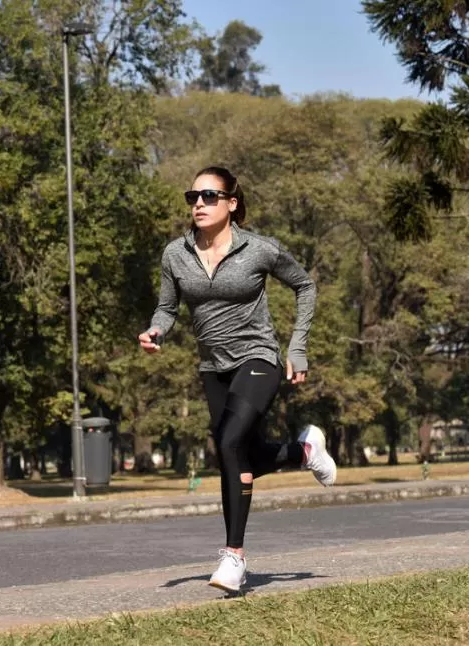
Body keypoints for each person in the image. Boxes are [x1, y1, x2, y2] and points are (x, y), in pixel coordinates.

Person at [138, 166, 337, 593]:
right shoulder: (175, 254)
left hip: (259, 357)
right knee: (239, 456)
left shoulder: (259, 249)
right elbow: (167, 308)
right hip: (214, 366)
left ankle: (234, 558)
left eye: (210, 196)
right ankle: (301, 452)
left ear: (232, 203)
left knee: (228, 442)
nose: (199, 204)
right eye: (193, 196)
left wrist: (296, 347)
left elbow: (305, 286)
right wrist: (157, 331)